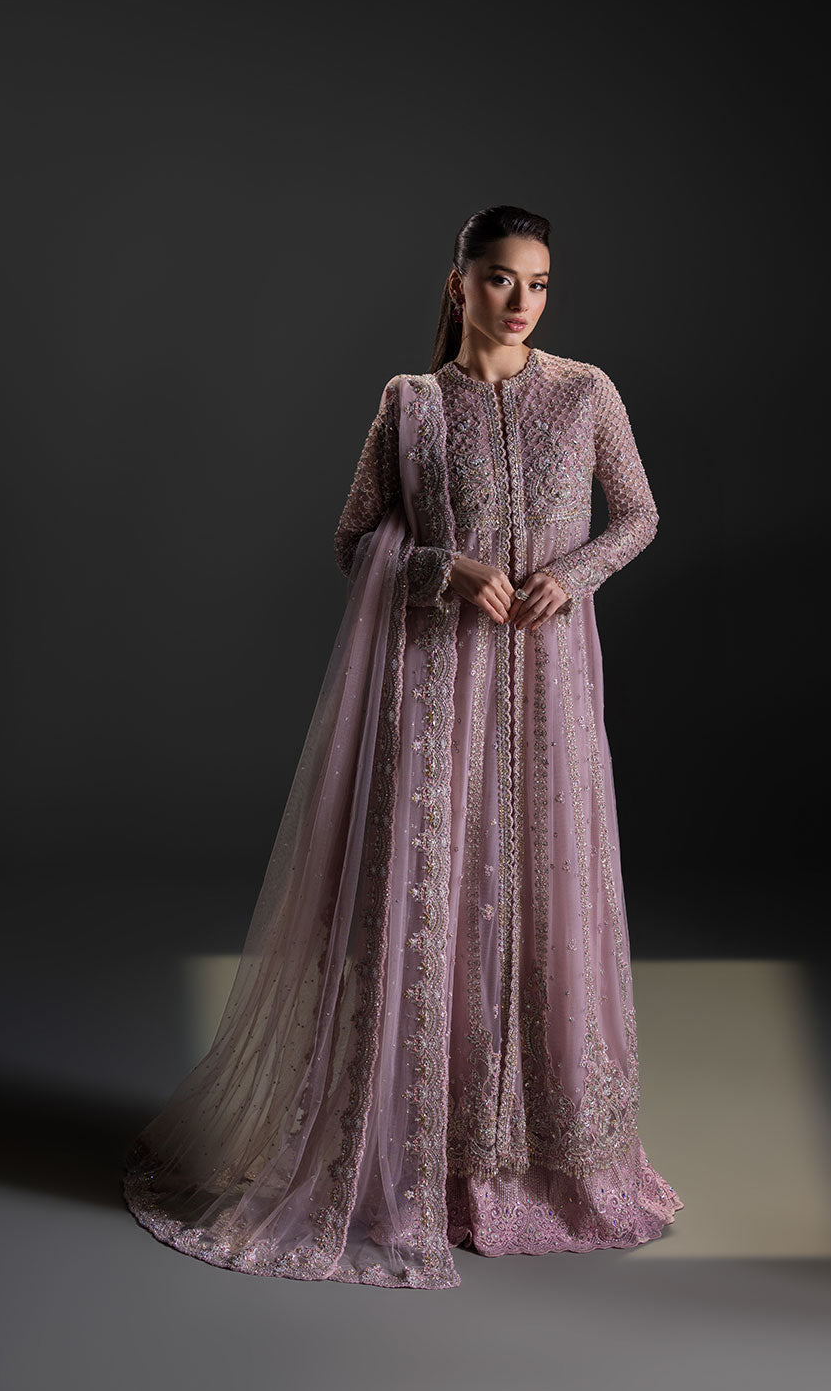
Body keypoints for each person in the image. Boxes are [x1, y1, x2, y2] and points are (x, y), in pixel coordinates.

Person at [122, 203, 684, 1290]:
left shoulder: (586, 394)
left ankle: (539, 1164)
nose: (521, 301)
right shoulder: (411, 406)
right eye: (501, 278)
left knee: (547, 892)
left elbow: (638, 514)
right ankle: (423, 1161)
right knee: (439, 901)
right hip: (438, 693)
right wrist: (440, 570)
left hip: (550, 688)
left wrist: (573, 577)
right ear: (457, 282)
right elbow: (354, 539)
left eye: (539, 283)